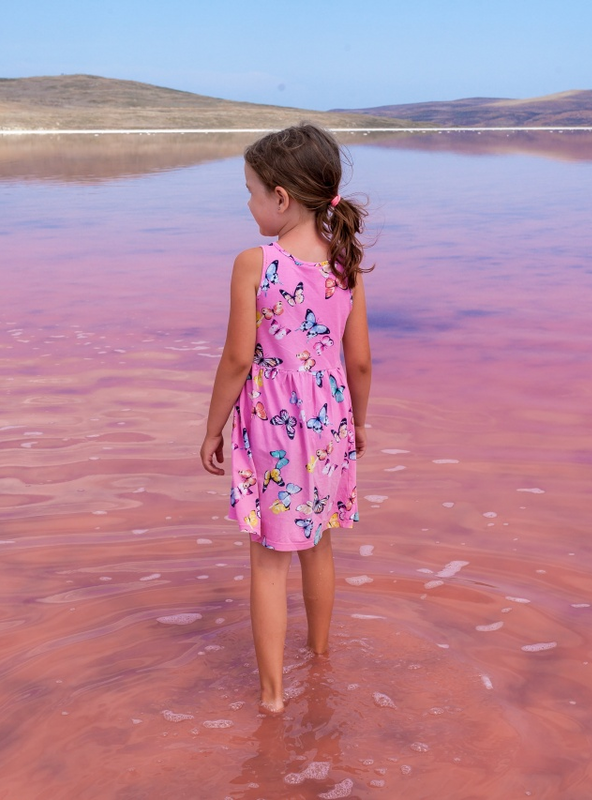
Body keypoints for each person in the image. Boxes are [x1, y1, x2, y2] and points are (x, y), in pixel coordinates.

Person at [200, 123, 373, 713]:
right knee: (318, 543)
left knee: (269, 560)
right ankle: (320, 659)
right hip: (330, 422)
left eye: (250, 192)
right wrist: (360, 425)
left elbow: (236, 357)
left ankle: (273, 698)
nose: (248, 205)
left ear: (280, 197)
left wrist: (212, 426)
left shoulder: (257, 264)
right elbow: (362, 362)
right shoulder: (343, 262)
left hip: (275, 425)